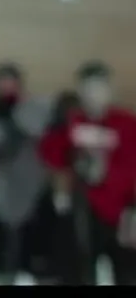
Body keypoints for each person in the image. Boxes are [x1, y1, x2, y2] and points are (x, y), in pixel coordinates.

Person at [39, 62, 136, 285]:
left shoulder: (126, 123)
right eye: (88, 89)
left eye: (99, 88)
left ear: (109, 90)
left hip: (122, 214)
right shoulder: (73, 121)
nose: (94, 95)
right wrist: (57, 129)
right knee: (79, 275)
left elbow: (131, 165)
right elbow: (51, 156)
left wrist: (106, 174)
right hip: (82, 213)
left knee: (127, 275)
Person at [0, 62, 58, 285]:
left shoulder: (36, 110)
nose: (6, 87)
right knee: (3, 274)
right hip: (5, 203)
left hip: (38, 199)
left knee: (47, 273)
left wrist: (20, 124)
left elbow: (52, 138)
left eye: (10, 81)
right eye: (1, 82)